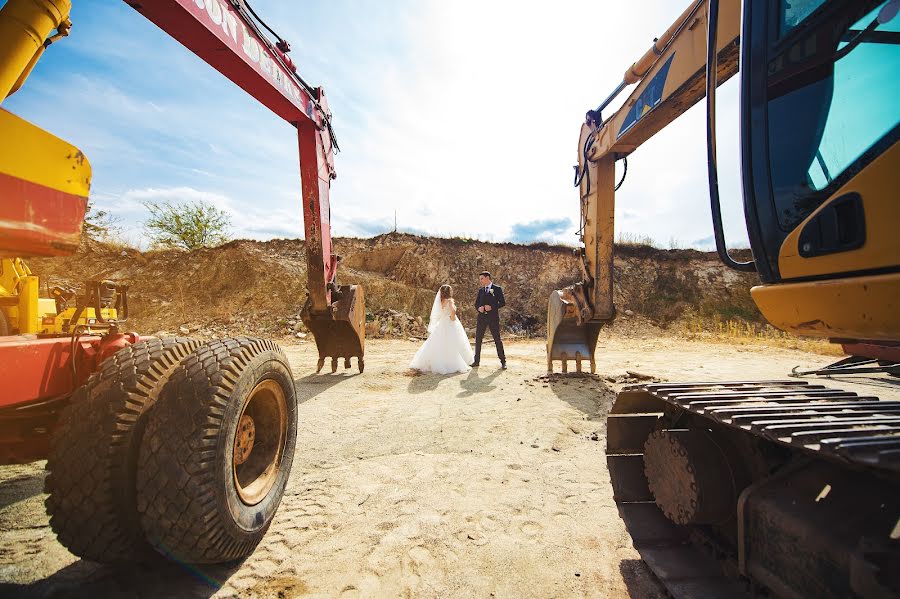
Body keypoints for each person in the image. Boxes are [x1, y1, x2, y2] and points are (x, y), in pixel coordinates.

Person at [409, 284, 474, 374]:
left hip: (441, 323)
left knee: (438, 343)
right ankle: (451, 362)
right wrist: (453, 318)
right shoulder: (450, 300)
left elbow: (439, 314)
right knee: (452, 342)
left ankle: (434, 362)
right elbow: (452, 312)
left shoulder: (440, 301)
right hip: (450, 323)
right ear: (449, 292)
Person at [472, 271, 506, 369]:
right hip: (481, 318)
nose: (480, 281)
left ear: (487, 278)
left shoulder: (497, 289)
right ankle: (476, 361)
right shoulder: (481, 290)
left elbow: (502, 302)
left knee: (497, 340)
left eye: (481, 278)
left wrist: (492, 307)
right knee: (478, 339)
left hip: (493, 318)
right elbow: (476, 303)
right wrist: (479, 308)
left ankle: (503, 361)